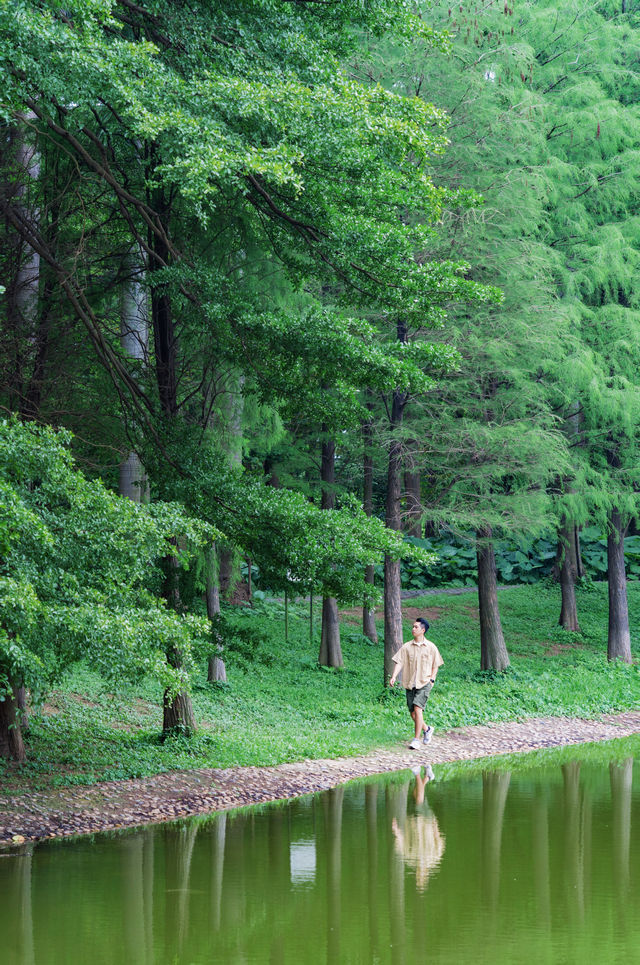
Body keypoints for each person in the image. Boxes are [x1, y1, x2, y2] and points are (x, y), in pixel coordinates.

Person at [389, 617, 443, 750]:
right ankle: (427, 729)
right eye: (413, 626)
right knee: (413, 713)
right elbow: (399, 662)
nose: (413, 629)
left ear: (423, 630)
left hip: (424, 683)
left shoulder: (431, 647)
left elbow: (436, 664)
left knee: (418, 709)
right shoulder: (407, 646)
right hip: (410, 683)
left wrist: (432, 679)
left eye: (416, 627)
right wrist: (394, 676)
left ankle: (416, 740)